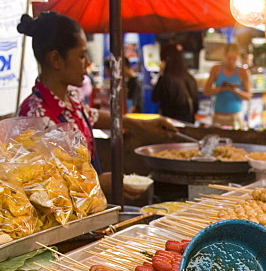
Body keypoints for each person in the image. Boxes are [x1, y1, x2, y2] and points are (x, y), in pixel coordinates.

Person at [14, 12, 176, 165]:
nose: (87, 64)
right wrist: (99, 182)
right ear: (56, 59)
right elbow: (41, 183)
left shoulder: (71, 96)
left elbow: (93, 116)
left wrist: (144, 124)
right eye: (81, 56)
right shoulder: (34, 115)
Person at [203, 43, 250, 129]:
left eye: (234, 59)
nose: (231, 61)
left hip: (235, 116)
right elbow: (206, 90)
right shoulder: (216, 69)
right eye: (229, 58)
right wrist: (221, 88)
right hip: (218, 115)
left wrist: (235, 91)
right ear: (224, 56)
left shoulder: (242, 72)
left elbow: (248, 96)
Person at [152, 43, 198, 124]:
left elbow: (154, 97)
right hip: (189, 123)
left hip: (170, 125)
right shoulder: (190, 78)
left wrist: (161, 74)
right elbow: (196, 107)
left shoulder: (166, 79)